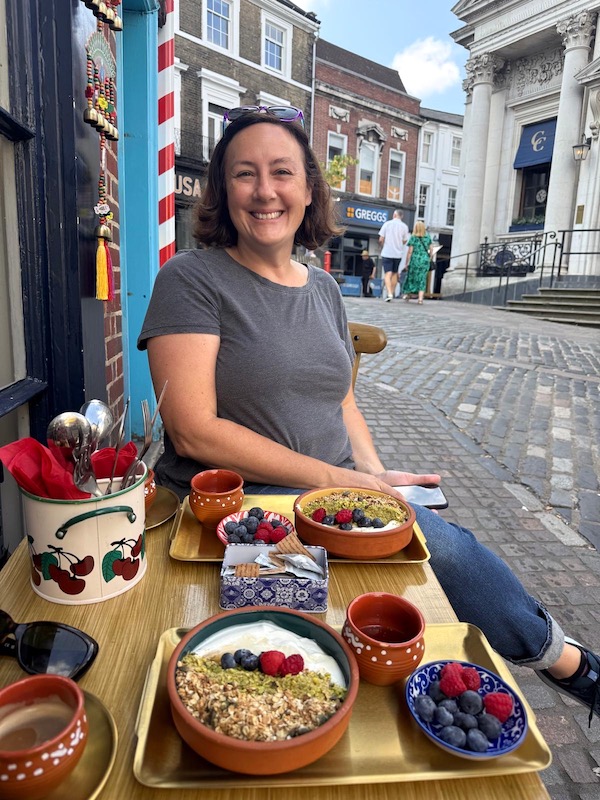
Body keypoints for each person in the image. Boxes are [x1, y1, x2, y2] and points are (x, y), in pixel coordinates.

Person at [138, 107, 600, 724]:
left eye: (282, 172)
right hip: (247, 503)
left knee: (440, 553)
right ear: (225, 191)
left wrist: (377, 478)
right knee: (438, 559)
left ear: (308, 189)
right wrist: (341, 482)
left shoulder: (324, 287)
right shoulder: (191, 279)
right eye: (245, 174)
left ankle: (558, 660)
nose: (266, 190)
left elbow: (342, 397)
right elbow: (192, 428)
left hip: (332, 491)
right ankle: (572, 664)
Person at [378, 209, 408, 301]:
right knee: (395, 273)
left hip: (387, 252)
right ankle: (392, 292)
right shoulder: (404, 226)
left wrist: (383, 245)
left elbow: (381, 239)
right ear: (401, 216)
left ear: (394, 215)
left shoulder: (387, 224)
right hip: (398, 253)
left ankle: (389, 293)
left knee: (388, 273)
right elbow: (405, 240)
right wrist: (399, 243)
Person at [403, 220, 433, 305]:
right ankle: (420, 299)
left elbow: (410, 251)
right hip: (424, 260)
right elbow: (431, 249)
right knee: (422, 279)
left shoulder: (413, 237)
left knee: (411, 277)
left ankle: (408, 294)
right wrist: (429, 258)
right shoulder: (427, 237)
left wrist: (406, 262)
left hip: (415, 259)